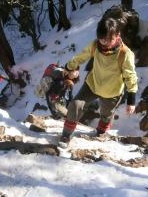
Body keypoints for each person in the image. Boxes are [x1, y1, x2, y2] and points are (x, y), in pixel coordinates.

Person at [59, 16, 138, 147]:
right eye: (101, 38)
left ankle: (100, 134)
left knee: (106, 115)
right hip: (92, 84)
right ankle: (66, 136)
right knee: (75, 105)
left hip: (112, 92)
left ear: (117, 35)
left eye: (108, 39)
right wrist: (69, 66)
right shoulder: (96, 45)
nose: (104, 42)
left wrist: (131, 100)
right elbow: (81, 56)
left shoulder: (125, 54)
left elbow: (130, 76)